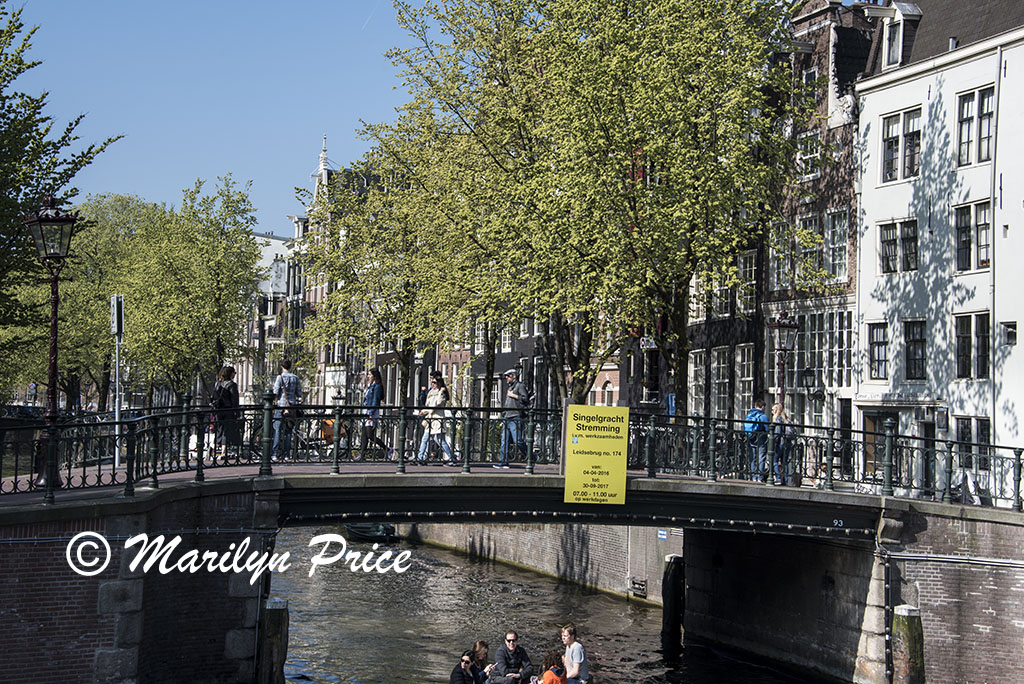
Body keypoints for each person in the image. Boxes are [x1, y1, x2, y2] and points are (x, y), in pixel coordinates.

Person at [417, 373, 455, 464]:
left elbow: (437, 404)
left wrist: (441, 392)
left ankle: (451, 458)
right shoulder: (431, 392)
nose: (432, 384)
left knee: (441, 440)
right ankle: (420, 458)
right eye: (432, 382)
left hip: (437, 420)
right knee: (424, 439)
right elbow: (428, 405)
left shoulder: (441, 393)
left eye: (434, 382)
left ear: (438, 383)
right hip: (430, 420)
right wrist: (423, 411)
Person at [495, 369, 528, 469]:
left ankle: (532, 457)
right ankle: (503, 461)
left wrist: (513, 395)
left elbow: (525, 398)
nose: (506, 378)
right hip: (507, 417)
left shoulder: (520, 386)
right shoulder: (510, 387)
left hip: (516, 416)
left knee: (517, 440)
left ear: (514, 376)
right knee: (504, 440)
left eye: (508, 376)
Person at [272, 359, 302, 462]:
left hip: (281, 406)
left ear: (281, 366)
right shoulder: (295, 378)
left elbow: (275, 391)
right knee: (289, 431)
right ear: (290, 366)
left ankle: (275, 454)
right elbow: (299, 393)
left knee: (277, 429)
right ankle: (287, 454)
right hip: (291, 406)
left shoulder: (279, 377)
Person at [360, 369, 393, 460]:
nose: (368, 376)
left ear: (374, 376)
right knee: (364, 435)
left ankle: (387, 449)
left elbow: (375, 401)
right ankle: (362, 455)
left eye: (370, 375)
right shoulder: (371, 386)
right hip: (366, 412)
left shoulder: (377, 387)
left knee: (370, 435)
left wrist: (371, 414)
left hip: (371, 412)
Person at [212, 365, 242, 461]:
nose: (235, 375)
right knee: (226, 431)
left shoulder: (217, 384)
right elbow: (234, 400)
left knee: (219, 430)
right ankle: (223, 452)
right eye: (234, 373)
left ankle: (213, 450)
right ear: (231, 374)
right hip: (228, 410)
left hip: (218, 410)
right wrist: (237, 413)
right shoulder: (232, 385)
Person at [744, 398, 769, 482]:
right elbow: (768, 429)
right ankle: (760, 477)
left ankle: (753, 476)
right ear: (762, 407)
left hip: (751, 438)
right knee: (761, 458)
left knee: (752, 458)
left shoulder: (749, 415)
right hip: (761, 439)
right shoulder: (763, 416)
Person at [771, 403, 796, 486]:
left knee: (773, 460)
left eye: (773, 409)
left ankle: (778, 477)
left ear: (776, 410)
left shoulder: (778, 419)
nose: (772, 411)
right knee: (784, 462)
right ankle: (785, 480)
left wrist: (774, 442)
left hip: (780, 443)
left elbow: (777, 433)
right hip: (787, 443)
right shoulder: (787, 419)